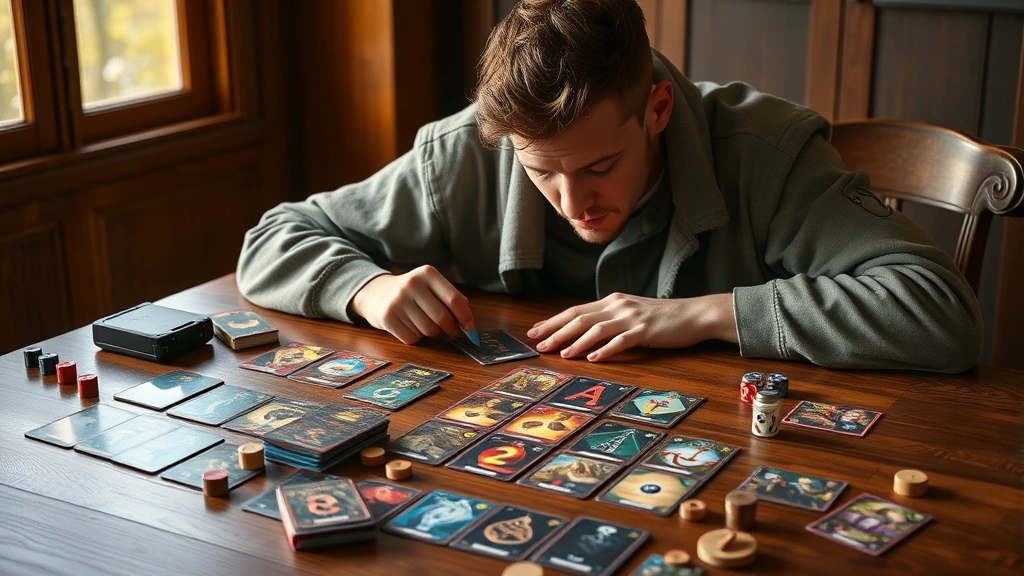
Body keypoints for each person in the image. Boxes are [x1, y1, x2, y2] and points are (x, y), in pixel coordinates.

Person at [237, 0, 982, 372]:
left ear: (656, 110)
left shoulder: (768, 152)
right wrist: (365, 289)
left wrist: (701, 315)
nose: (573, 201)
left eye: (598, 167)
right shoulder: (468, 151)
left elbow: (942, 312)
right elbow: (271, 242)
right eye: (541, 173)